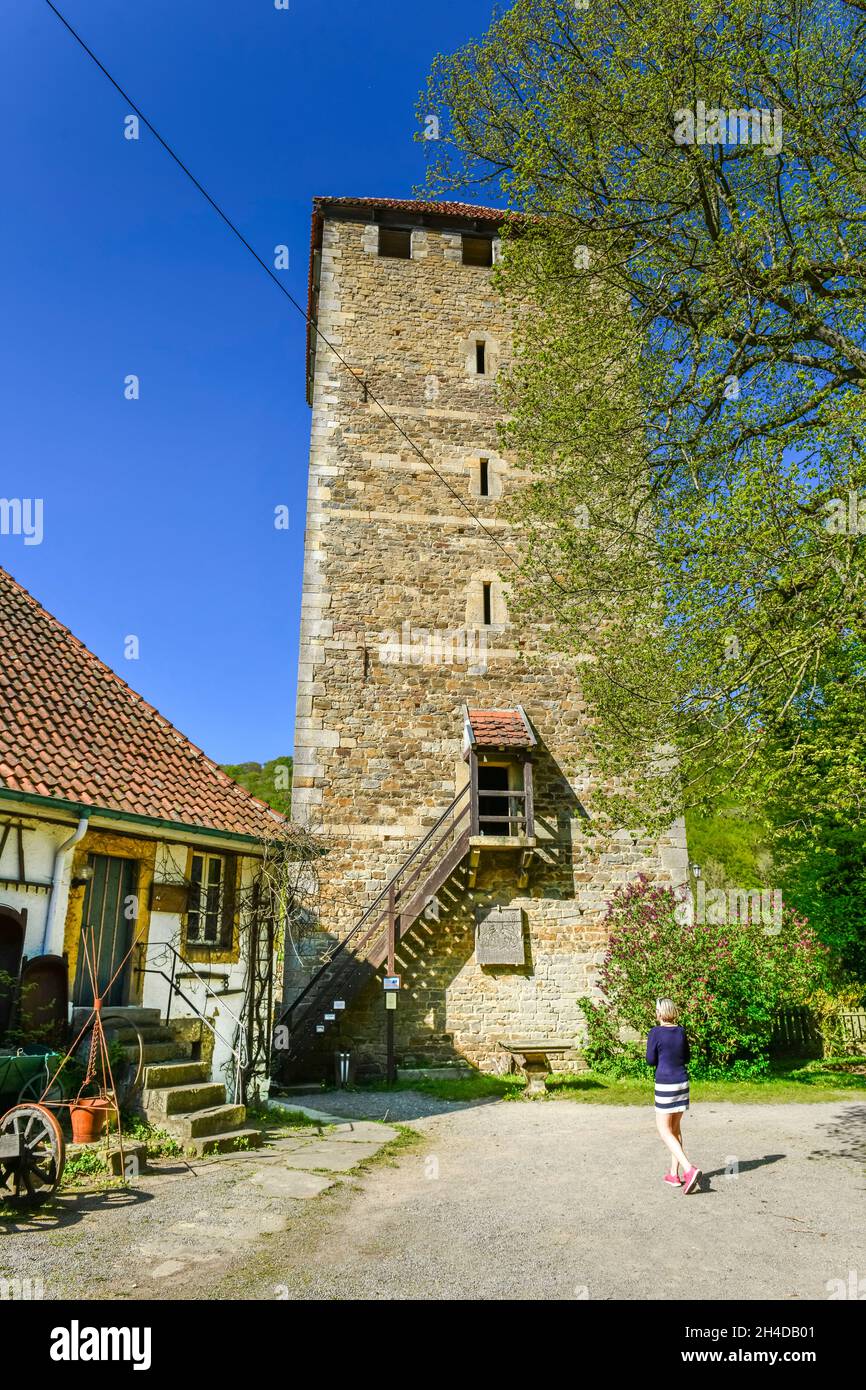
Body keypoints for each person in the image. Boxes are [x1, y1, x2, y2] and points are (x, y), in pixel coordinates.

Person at [646, 998, 701, 1194]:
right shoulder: (681, 1031)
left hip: (665, 1084)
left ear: (659, 1013)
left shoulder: (655, 1033)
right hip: (682, 1083)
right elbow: (686, 1057)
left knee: (664, 1130)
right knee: (675, 1129)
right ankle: (673, 1174)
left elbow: (650, 1060)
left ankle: (689, 1169)